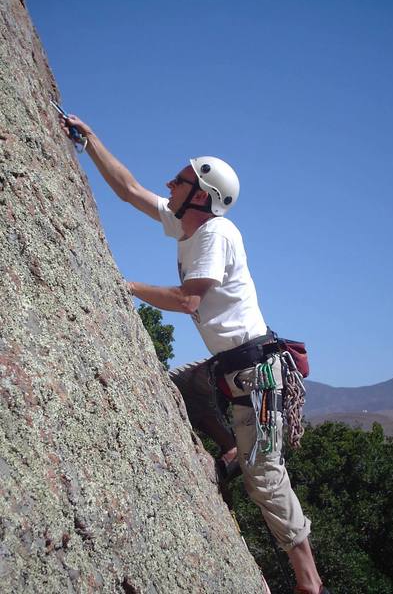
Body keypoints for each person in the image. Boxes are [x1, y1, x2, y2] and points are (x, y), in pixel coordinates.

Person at [59, 113, 329, 594]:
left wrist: (127, 285)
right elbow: (130, 190)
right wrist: (92, 140)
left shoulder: (215, 235)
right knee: (172, 388)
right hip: (227, 367)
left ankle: (308, 580)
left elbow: (188, 302)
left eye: (180, 179)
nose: (170, 182)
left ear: (201, 194)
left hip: (256, 374)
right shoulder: (189, 227)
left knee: (263, 477)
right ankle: (229, 445)